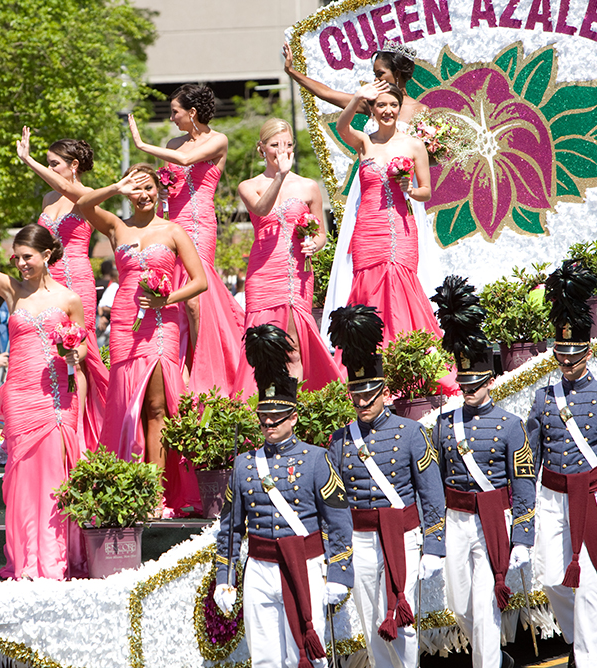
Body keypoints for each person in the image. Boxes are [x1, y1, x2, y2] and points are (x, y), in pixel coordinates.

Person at [284, 40, 442, 346]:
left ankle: (409, 337)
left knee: (405, 270)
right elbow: (329, 95)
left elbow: (427, 168)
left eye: (381, 72)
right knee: (363, 265)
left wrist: (426, 157)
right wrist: (294, 74)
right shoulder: (370, 103)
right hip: (369, 187)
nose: (376, 78)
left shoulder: (420, 112)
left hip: (403, 197)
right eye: (374, 73)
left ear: (398, 73)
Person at [214, 324, 353, 668]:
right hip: (259, 567)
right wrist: (224, 578)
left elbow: (338, 523)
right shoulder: (245, 465)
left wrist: (339, 574)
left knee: (306, 653)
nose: (270, 425)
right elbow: (230, 529)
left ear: (293, 416)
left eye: (277, 418)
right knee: (264, 658)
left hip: (304, 564)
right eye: (264, 419)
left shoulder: (317, 459)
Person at [0, 216, 88, 578]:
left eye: (27, 256)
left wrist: (74, 358)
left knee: (54, 475)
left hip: (56, 396)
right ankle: (27, 558)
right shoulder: (13, 290)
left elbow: (83, 353)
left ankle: (56, 557)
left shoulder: (69, 298)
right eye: (16, 257)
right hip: (19, 394)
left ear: (47, 254)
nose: (20, 263)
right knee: (21, 477)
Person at [526, 261, 597, 668]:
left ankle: (588, 659)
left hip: (591, 497)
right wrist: (523, 508)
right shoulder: (543, 398)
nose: (567, 364)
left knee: (589, 585)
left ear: (588, 352)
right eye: (561, 357)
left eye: (574, 357)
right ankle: (578, 640)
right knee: (553, 577)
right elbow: (530, 458)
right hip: (554, 497)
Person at [78, 164, 207, 516]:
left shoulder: (173, 230)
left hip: (162, 322)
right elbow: (84, 205)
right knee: (125, 406)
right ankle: (131, 486)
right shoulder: (117, 227)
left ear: (158, 189)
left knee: (157, 408)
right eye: (137, 190)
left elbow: (200, 282)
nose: (144, 195)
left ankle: (156, 491)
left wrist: (169, 299)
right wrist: (116, 186)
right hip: (123, 324)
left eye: (149, 187)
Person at [327, 305, 446, 668]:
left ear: (383, 391)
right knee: (370, 621)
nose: (362, 402)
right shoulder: (339, 440)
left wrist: (435, 545)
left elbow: (430, 493)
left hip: (403, 535)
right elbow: (334, 504)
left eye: (369, 394)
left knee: (403, 620)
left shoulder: (411, 433)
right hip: (361, 539)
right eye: (356, 395)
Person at [431, 277, 535, 668]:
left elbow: (523, 484)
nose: (468, 390)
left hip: (494, 517)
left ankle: (489, 661)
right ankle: (493, 655)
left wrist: (522, 535)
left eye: (475, 383)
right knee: (461, 604)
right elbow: (436, 481)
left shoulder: (509, 425)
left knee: (487, 601)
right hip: (457, 518)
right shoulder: (444, 424)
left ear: (489, 381)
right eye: (463, 384)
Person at [127, 84, 246, 396]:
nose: (171, 117)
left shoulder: (218, 139)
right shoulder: (173, 142)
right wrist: (163, 194)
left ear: (192, 113)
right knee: (177, 295)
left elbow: (184, 161)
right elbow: (172, 176)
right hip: (173, 221)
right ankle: (179, 361)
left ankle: (200, 367)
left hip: (199, 222)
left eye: (175, 111)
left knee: (195, 298)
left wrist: (142, 145)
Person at [232, 118, 339, 398]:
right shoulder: (249, 185)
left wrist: (313, 245)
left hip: (295, 274)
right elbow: (262, 208)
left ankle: (295, 408)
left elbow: (321, 234)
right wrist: (279, 176)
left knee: (292, 349)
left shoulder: (308, 186)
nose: (282, 150)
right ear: (262, 149)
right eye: (275, 145)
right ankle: (263, 408)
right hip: (262, 273)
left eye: (288, 144)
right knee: (262, 348)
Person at [19, 127, 109, 451]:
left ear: (73, 165)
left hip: (77, 279)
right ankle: (55, 419)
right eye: (47, 163)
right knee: (54, 355)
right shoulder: (47, 199)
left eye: (54, 163)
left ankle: (81, 435)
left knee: (79, 356)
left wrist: (28, 160)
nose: (49, 169)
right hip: (49, 280)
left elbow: (66, 188)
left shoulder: (86, 195)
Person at [331, 81, 440, 347]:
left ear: (400, 109)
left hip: (399, 228)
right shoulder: (364, 142)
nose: (387, 110)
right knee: (367, 290)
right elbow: (341, 127)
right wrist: (357, 96)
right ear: (373, 110)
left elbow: (426, 191)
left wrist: (410, 190)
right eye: (381, 105)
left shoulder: (414, 145)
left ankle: (407, 353)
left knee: (400, 284)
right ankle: (370, 358)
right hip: (367, 230)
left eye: (393, 105)